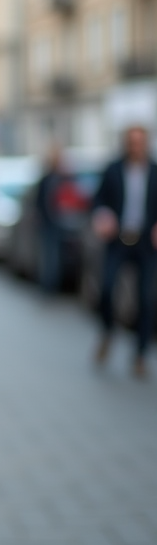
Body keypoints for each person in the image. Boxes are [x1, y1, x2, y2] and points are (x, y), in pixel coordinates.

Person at [91, 125, 157, 380]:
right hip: (117, 240)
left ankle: (140, 354)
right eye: (131, 142)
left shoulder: (154, 171)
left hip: (146, 243)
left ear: (146, 144)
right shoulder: (113, 169)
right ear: (126, 144)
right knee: (107, 288)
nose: (135, 147)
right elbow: (98, 200)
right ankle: (108, 331)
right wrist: (102, 215)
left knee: (146, 299)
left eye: (139, 142)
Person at [35, 145, 77, 293]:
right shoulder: (47, 179)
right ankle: (48, 285)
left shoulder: (64, 178)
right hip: (49, 222)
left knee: (57, 255)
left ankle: (54, 284)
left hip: (62, 222)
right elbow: (39, 201)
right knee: (49, 255)